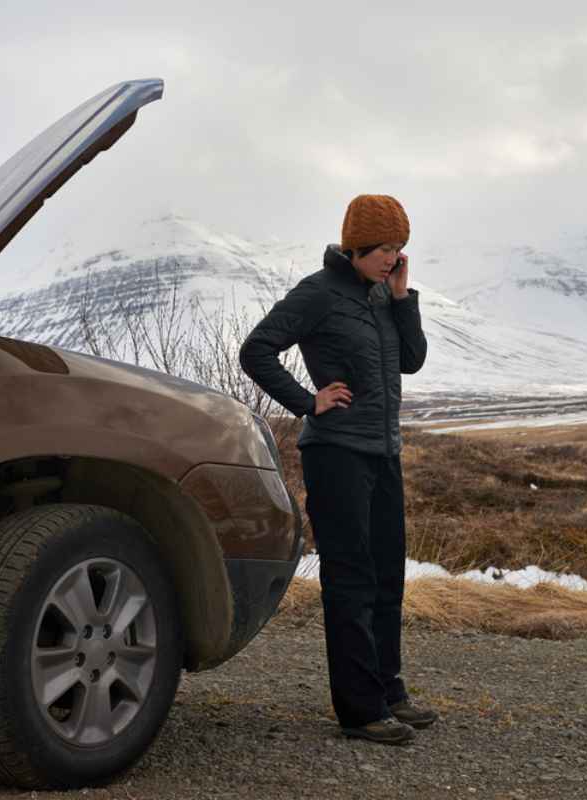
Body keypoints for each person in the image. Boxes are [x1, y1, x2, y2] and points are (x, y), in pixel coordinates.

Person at [239, 194, 435, 745]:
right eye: (384, 249)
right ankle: (360, 710)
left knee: (387, 577)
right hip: (337, 454)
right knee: (350, 579)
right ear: (355, 246)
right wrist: (308, 400)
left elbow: (412, 360)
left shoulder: (382, 294)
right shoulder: (318, 293)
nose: (393, 258)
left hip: (383, 451)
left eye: (400, 249)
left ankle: (388, 690)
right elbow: (256, 351)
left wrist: (401, 299)